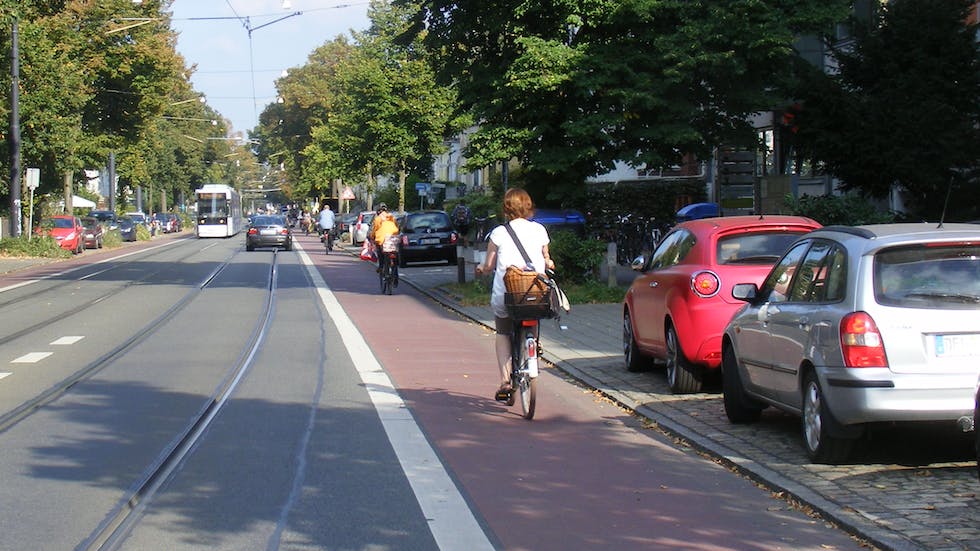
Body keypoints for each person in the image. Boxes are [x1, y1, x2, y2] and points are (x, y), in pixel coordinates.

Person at [474, 188, 555, 401]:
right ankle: (534, 343)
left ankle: (505, 380)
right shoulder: (539, 230)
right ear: (528, 206)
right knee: (534, 310)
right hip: (535, 291)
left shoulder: (499, 233)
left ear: (506, 208)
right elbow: (546, 257)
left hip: (506, 294)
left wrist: (481, 269)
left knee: (502, 332)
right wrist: (547, 263)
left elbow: (490, 265)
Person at [369, 203, 399, 272]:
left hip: (382, 240)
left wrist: (372, 236)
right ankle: (395, 274)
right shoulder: (392, 217)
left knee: (380, 253)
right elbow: (397, 227)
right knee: (394, 252)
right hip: (393, 238)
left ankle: (381, 266)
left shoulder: (378, 219)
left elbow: (374, 230)